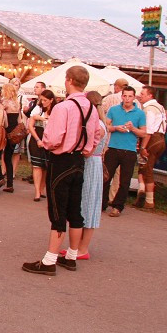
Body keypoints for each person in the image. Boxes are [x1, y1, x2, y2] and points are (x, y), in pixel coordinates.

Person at [22, 66, 99, 276]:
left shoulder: (63, 107)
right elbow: (97, 133)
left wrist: (46, 144)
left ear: (70, 80)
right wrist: (87, 149)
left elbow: (53, 138)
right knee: (75, 209)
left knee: (57, 210)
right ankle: (72, 256)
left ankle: (49, 260)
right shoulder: (92, 108)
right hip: (79, 161)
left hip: (62, 160)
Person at [64, 91, 107, 261]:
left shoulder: (99, 126)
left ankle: (83, 248)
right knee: (81, 204)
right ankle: (77, 246)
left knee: (89, 206)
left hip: (91, 165)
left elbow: (89, 150)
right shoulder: (97, 123)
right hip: (90, 164)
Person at [101, 86, 146, 217]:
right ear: (121, 96)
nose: (127, 99)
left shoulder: (140, 113)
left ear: (134, 97)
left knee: (125, 181)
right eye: (125, 96)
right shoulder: (113, 110)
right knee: (105, 177)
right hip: (113, 148)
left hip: (129, 150)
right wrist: (115, 128)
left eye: (130, 96)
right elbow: (106, 126)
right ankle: (102, 204)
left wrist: (133, 129)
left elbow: (144, 132)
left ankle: (118, 206)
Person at [136, 86, 167, 210]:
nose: (140, 95)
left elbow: (148, 131)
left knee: (147, 169)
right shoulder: (160, 107)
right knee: (144, 167)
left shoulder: (148, 109)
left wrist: (143, 147)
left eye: (142, 93)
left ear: (150, 95)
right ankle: (141, 193)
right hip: (161, 139)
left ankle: (149, 201)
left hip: (152, 140)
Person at [26, 90, 55, 202]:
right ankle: (37, 191)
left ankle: (42, 189)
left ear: (51, 100)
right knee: (37, 166)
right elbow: (31, 124)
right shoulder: (38, 108)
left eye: (45, 100)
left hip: (49, 141)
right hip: (37, 139)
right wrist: (38, 139)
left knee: (45, 167)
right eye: (41, 100)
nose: (42, 102)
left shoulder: (55, 110)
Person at [0, 83, 21, 192]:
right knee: (9, 156)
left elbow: (3, 119)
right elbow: (19, 121)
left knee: (3, 156)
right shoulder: (17, 104)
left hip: (6, 131)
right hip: (14, 132)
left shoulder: (4, 103)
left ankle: (1, 179)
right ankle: (9, 182)